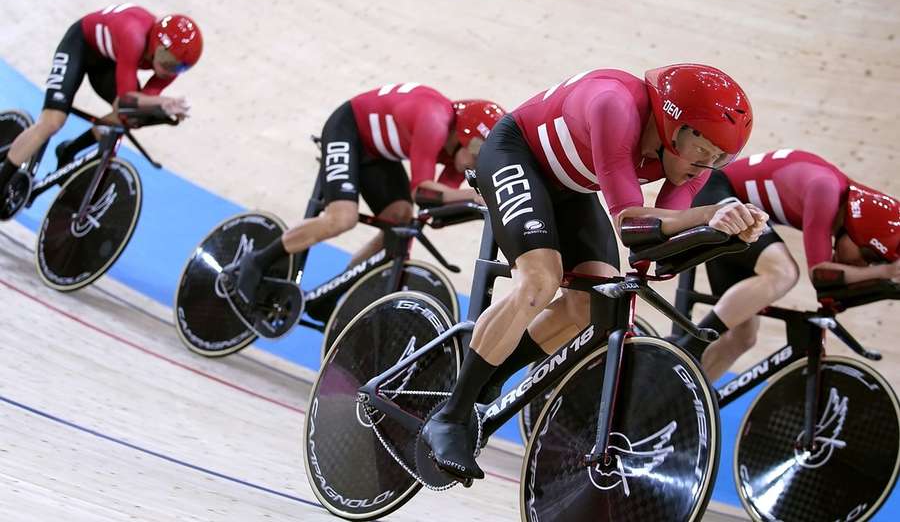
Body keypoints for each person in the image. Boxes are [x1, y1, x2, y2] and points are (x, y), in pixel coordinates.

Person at [420, 64, 768, 481]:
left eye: (719, 159)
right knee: (540, 280)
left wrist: (725, 236)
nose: (704, 167)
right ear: (673, 124)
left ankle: (490, 377)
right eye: (702, 151)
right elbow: (629, 225)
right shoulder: (615, 107)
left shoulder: (689, 165)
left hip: (573, 188)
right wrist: (708, 215)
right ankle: (450, 417)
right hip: (517, 155)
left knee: (593, 304)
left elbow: (652, 248)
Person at [227, 84, 505, 306]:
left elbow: (434, 207)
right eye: (479, 157)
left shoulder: (462, 158)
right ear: (467, 137)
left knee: (400, 223)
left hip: (378, 154)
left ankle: (336, 295)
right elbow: (422, 191)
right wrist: (474, 196)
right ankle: (257, 261)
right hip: (348, 129)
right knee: (342, 218)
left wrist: (482, 208)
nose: (477, 167)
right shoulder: (435, 120)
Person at [675, 149, 900, 381]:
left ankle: (684, 402)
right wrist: (884, 271)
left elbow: (830, 289)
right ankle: (690, 347)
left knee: (742, 338)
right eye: (868, 256)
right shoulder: (826, 191)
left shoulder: (839, 200)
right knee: (783, 272)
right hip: (717, 193)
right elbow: (821, 275)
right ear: (857, 228)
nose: (861, 265)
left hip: (741, 216)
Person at [0, 4, 201, 197]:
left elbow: (139, 104)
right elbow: (126, 98)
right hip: (80, 46)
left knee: (132, 117)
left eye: (179, 68)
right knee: (53, 122)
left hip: (109, 63)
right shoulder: (134, 35)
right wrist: (161, 102)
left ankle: (69, 151)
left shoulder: (169, 66)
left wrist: (163, 109)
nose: (170, 71)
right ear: (157, 44)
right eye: (168, 63)